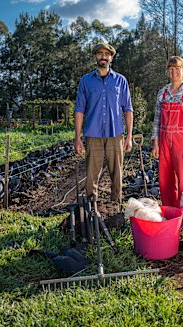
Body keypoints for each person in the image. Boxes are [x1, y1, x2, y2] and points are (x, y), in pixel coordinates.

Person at [74, 42, 133, 206]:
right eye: (100, 54)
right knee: (92, 174)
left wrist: (129, 137)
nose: (103, 57)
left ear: (111, 57)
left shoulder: (121, 81)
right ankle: (91, 207)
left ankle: (116, 207)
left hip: (116, 135)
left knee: (117, 173)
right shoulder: (86, 81)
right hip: (93, 135)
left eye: (106, 54)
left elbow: (128, 109)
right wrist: (77, 137)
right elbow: (79, 109)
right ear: (95, 56)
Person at [151, 56, 183, 208]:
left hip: (182, 141)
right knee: (165, 180)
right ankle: (170, 213)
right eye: (171, 69)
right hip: (164, 141)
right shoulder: (162, 93)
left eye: (177, 69)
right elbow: (157, 120)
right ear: (168, 72)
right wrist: (155, 144)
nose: (174, 72)